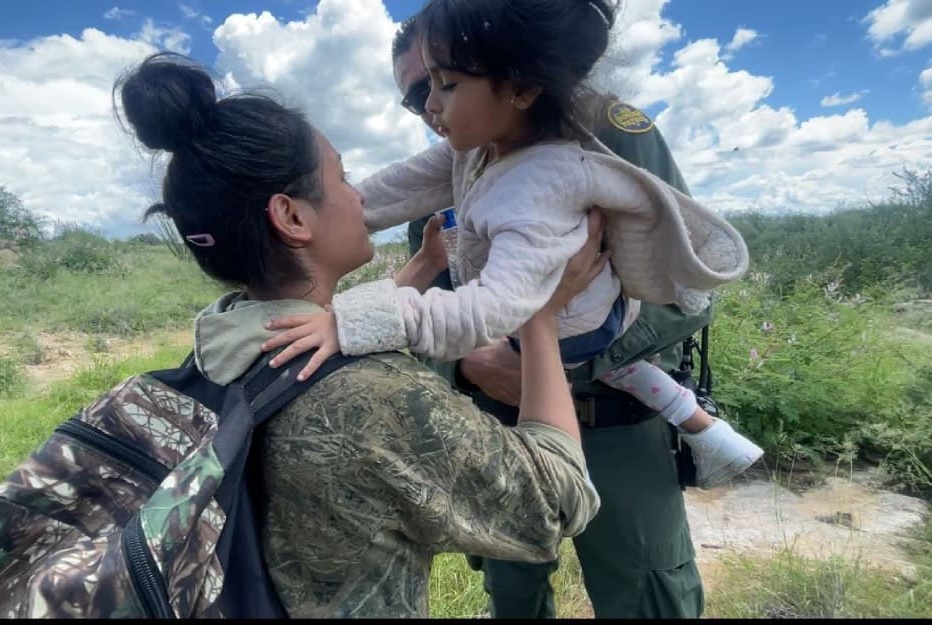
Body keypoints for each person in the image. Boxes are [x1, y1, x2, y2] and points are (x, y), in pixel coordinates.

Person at [262, 2, 754, 618]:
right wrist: (286, 219)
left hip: (614, 424)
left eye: (440, 83)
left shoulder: (601, 136)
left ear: (519, 76)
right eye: (416, 98)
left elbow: (682, 291)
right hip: (503, 426)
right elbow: (437, 288)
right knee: (514, 597)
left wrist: (564, 357)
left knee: (645, 593)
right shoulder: (468, 161)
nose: (429, 109)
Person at [113, 52, 603, 619]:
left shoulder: (215, 353)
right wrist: (539, 311)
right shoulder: (377, 400)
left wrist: (418, 270)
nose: (360, 196)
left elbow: (334, 325)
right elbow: (556, 500)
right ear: (293, 218)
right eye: (342, 178)